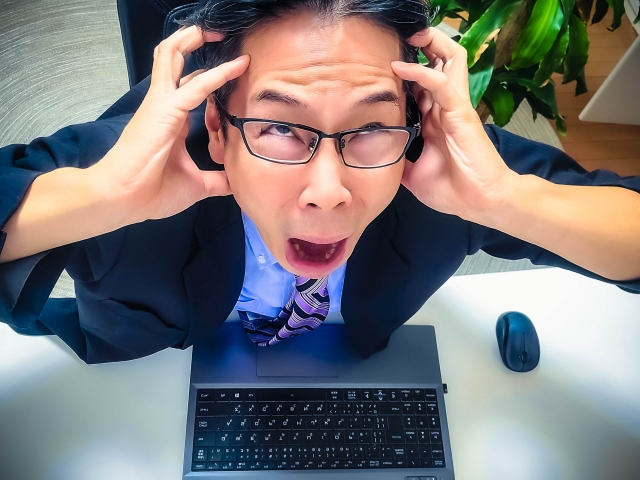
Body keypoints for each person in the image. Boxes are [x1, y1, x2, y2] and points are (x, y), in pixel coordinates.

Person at [1, 0, 639, 363]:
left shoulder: (443, 162)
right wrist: (102, 198)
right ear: (218, 128)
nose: (329, 191)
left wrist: (506, 200)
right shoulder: (134, 161)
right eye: (281, 128)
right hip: (154, 372)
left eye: (371, 125)